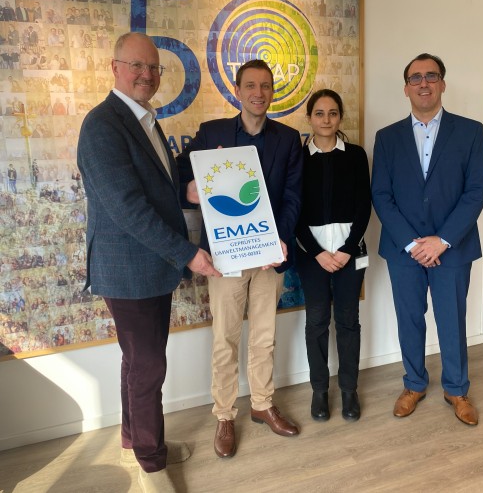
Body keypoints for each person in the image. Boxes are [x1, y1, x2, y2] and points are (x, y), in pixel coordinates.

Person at [77, 32, 220, 493]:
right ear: (115, 68)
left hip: (150, 269)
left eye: (153, 67)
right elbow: (127, 207)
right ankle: (151, 464)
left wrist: (189, 190)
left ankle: (134, 441)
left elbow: (159, 187)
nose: (146, 74)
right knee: (148, 368)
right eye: (136, 65)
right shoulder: (103, 125)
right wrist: (188, 253)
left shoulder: (147, 121)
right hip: (128, 270)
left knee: (138, 363)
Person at [176, 59, 303, 458]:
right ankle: (225, 414)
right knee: (225, 338)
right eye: (251, 85)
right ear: (237, 90)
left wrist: (282, 239)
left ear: (272, 91)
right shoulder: (211, 133)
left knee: (264, 336)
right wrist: (192, 188)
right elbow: (177, 177)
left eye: (265, 86)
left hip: (267, 257)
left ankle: (262, 404)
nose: (258, 93)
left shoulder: (288, 139)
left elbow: (293, 195)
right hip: (225, 255)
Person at [371, 53, 483, 426]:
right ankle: (414, 384)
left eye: (431, 76)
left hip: (452, 248)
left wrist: (442, 240)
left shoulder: (470, 132)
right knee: (409, 319)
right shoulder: (387, 138)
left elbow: (476, 191)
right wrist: (413, 243)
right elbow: (381, 196)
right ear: (406, 88)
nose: (424, 83)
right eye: (416, 77)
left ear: (442, 84)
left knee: (451, 319)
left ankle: (456, 389)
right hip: (403, 250)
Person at [294, 89, 371, 422]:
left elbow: (364, 206)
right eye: (320, 113)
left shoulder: (356, 155)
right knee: (316, 322)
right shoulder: (297, 158)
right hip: (311, 256)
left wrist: (347, 249)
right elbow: (293, 212)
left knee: (348, 321)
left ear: (340, 117)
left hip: (350, 255)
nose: (326, 119)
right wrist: (317, 253)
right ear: (309, 118)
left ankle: (349, 390)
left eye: (333, 113)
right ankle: (320, 391)